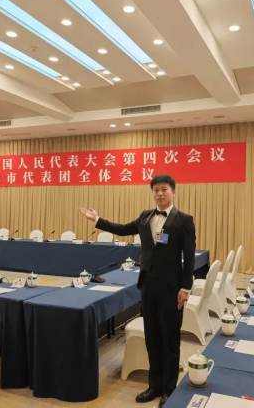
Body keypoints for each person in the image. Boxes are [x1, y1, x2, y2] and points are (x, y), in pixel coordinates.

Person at [79, 174, 196, 407]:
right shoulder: (145, 216)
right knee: (152, 338)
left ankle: (169, 388)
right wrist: (98, 219)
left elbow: (190, 255)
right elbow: (123, 229)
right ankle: (154, 385)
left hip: (172, 289)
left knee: (169, 339)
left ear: (173, 191)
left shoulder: (184, 220)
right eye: (156, 190)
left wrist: (185, 287)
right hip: (148, 287)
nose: (160, 193)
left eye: (164, 189)